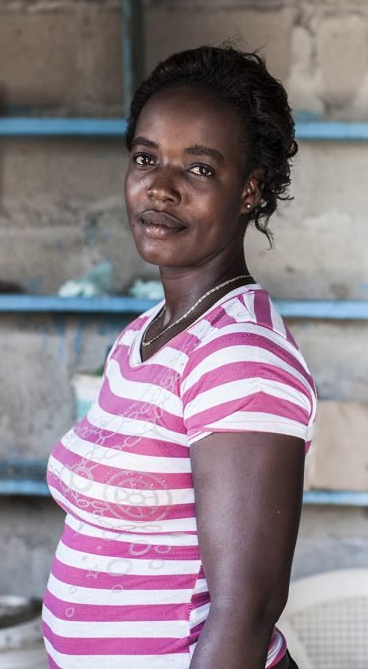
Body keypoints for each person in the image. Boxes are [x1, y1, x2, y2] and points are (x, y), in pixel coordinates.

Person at [43, 44, 315, 669]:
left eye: (197, 169)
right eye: (146, 158)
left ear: (250, 190)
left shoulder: (237, 356)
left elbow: (244, 613)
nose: (159, 188)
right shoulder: (143, 334)